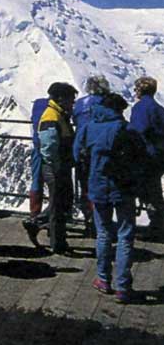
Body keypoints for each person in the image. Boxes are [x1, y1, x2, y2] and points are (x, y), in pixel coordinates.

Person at [74, 93, 146, 303]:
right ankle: (123, 286)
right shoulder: (127, 129)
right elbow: (142, 157)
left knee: (103, 232)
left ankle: (103, 279)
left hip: (97, 187)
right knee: (125, 235)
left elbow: (78, 155)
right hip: (123, 188)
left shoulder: (88, 126)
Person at [23, 82, 78, 254]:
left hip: (58, 166)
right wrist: (56, 166)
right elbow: (48, 145)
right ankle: (57, 242)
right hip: (56, 167)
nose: (72, 103)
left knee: (60, 203)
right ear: (61, 99)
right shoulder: (51, 116)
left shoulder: (57, 114)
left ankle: (41, 227)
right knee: (58, 205)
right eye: (71, 99)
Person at [72, 75, 110, 236]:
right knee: (102, 185)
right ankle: (101, 222)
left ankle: (89, 220)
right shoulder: (106, 103)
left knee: (85, 187)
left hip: (81, 149)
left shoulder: (80, 103)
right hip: (101, 149)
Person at [128, 76, 164, 241]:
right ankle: (157, 224)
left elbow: (136, 131)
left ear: (140, 90)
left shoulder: (140, 108)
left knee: (140, 191)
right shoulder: (159, 108)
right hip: (158, 156)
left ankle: (150, 226)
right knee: (154, 191)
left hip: (143, 156)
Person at [28, 96, 49, 218]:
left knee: (36, 180)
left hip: (37, 146)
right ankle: (53, 215)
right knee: (55, 182)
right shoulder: (53, 109)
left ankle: (34, 214)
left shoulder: (38, 105)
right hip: (52, 149)